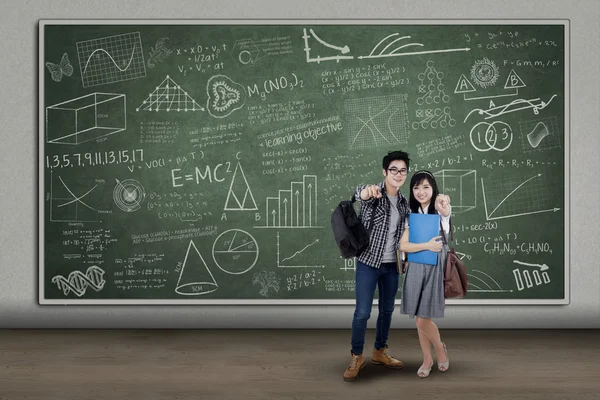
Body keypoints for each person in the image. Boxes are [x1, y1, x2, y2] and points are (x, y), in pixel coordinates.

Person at [343, 151, 448, 382]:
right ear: (385, 172)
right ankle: (357, 356)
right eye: (393, 170)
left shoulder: (404, 204)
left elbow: (422, 227)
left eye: (402, 171)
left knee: (387, 311)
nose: (398, 174)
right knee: (362, 313)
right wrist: (362, 192)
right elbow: (358, 194)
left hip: (393, 266)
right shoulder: (374, 193)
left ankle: (380, 351)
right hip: (368, 263)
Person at [399, 170, 452, 379]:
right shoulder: (409, 213)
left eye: (426, 187)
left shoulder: (439, 209)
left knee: (423, 318)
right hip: (414, 265)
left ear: (433, 188)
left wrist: (445, 203)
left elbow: (446, 211)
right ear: (412, 191)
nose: (421, 192)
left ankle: (439, 349)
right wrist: (426, 245)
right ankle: (427, 359)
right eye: (416, 187)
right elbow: (403, 245)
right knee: (418, 318)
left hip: (434, 266)